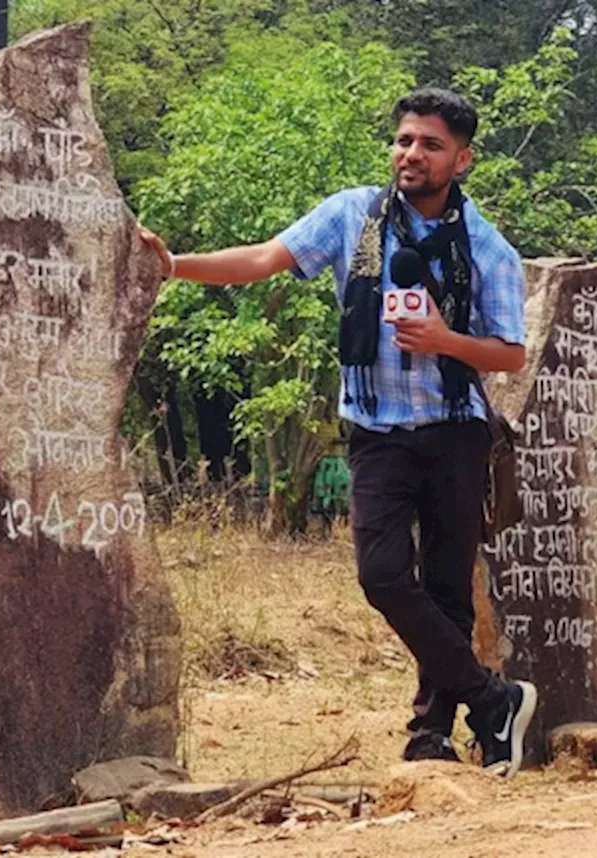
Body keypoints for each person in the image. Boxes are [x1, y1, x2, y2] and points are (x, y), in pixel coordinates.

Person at [140, 87, 538, 777]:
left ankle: (432, 736)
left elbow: (508, 353)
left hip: (454, 433)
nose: (411, 154)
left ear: (462, 160)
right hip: (375, 429)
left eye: (430, 145)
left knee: (446, 588)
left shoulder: (487, 247)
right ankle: (494, 700)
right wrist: (175, 266)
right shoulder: (353, 214)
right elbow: (265, 258)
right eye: (405, 140)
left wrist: (445, 338)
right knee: (383, 575)